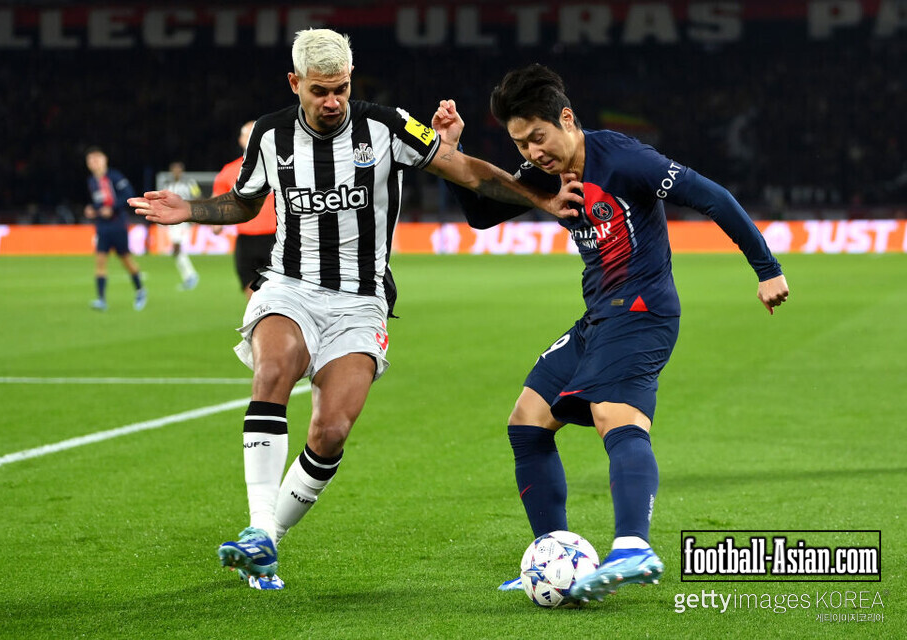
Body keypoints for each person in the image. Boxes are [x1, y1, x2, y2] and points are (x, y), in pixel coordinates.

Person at [128, 30, 580, 591]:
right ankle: (258, 528)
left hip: (361, 301)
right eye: (320, 91)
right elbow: (245, 201)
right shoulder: (270, 135)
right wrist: (190, 210)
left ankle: (270, 541)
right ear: (295, 84)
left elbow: (467, 171)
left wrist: (539, 198)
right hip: (289, 286)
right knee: (274, 370)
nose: (333, 101)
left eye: (341, 89)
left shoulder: (388, 126)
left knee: (331, 430)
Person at [431, 64, 789, 602]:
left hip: (642, 311)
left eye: (538, 137)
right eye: (521, 144)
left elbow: (711, 195)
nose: (532, 153)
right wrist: (447, 153)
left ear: (567, 119)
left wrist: (766, 269)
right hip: (600, 315)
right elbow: (482, 214)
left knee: (612, 415)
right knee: (527, 422)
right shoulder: (547, 176)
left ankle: (633, 547)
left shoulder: (623, 159)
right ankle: (553, 558)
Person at [211, 122, 278, 300]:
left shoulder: (281, 166)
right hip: (246, 241)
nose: (251, 140)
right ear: (240, 140)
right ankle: (259, 322)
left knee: (276, 293)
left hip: (276, 239)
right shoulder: (229, 171)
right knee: (252, 292)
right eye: (247, 136)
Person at [84, 147, 147, 311]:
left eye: (97, 159)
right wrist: (93, 209)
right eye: (90, 160)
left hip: (117, 224)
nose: (94, 163)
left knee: (126, 260)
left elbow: (128, 194)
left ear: (105, 160)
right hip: (102, 226)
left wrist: (112, 208)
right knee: (100, 260)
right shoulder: (92, 181)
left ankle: (140, 290)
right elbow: (100, 203)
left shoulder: (114, 177)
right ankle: (101, 299)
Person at [162, 161, 202, 290]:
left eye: (178, 169)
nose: (176, 172)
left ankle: (191, 276)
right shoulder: (168, 185)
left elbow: (198, 196)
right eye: (174, 170)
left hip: (185, 219)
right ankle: (189, 276)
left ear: (182, 170)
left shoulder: (190, 183)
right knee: (176, 250)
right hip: (172, 220)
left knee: (177, 248)